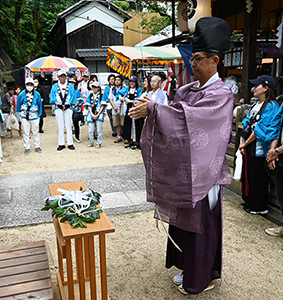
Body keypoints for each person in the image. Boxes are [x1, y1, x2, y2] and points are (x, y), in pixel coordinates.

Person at [129, 17, 233, 295]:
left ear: (214, 60)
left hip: (205, 174)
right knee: (183, 224)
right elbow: (172, 120)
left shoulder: (221, 94)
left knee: (201, 226)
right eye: (192, 58)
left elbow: (195, 121)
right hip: (185, 171)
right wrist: (150, 109)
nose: (193, 63)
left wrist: (155, 110)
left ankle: (202, 277)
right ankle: (187, 268)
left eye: (198, 58)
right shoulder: (187, 90)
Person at [239, 75, 279, 215]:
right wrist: (243, 142)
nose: (254, 88)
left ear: (266, 88)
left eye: (257, 85)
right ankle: (250, 200)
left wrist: (246, 143)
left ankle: (259, 206)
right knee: (249, 174)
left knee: (258, 176)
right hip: (250, 144)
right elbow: (246, 122)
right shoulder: (256, 104)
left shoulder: (272, 106)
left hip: (261, 147)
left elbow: (261, 130)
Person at [265, 92, 283, 236]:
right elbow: (276, 127)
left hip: (280, 151)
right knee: (280, 193)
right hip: (279, 154)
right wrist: (272, 151)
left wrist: (276, 151)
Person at [50, 69, 77, 151]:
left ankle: (70, 143)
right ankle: (61, 143)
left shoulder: (71, 86)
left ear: (66, 77)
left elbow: (73, 96)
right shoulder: (54, 86)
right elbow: (52, 97)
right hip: (58, 107)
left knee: (69, 125)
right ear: (58, 77)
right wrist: (59, 105)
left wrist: (68, 105)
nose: (62, 77)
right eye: (61, 76)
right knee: (60, 125)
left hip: (68, 107)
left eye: (64, 76)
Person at [16, 78, 43, 154]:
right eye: (28, 84)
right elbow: (18, 104)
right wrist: (19, 113)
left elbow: (40, 104)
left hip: (35, 115)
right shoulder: (21, 94)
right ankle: (26, 147)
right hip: (24, 115)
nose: (29, 86)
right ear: (25, 85)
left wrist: (40, 113)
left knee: (35, 131)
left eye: (31, 84)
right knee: (25, 132)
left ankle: (37, 146)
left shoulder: (37, 94)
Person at [117, 76, 142, 148]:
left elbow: (139, 99)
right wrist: (120, 97)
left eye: (133, 82)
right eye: (130, 81)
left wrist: (130, 101)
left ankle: (137, 141)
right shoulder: (127, 89)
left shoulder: (139, 89)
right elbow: (118, 93)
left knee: (137, 125)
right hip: (128, 109)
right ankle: (129, 139)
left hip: (136, 109)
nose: (131, 83)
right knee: (128, 124)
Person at [84, 81, 107, 148]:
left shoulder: (102, 95)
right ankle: (91, 142)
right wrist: (91, 114)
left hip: (99, 114)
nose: (94, 88)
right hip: (91, 114)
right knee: (90, 130)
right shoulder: (90, 95)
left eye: (95, 87)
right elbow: (88, 105)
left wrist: (97, 114)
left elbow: (103, 105)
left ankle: (99, 143)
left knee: (99, 130)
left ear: (98, 88)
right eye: (93, 87)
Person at [109, 74, 124, 143]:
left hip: (123, 109)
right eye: (116, 80)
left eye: (118, 80)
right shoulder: (112, 89)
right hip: (115, 109)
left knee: (123, 123)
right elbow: (110, 99)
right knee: (117, 123)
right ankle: (118, 137)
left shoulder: (124, 88)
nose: (117, 81)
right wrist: (114, 107)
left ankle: (125, 136)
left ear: (121, 81)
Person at [68, 78, 84, 143]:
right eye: (70, 83)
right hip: (68, 108)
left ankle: (77, 137)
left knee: (76, 124)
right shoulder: (67, 91)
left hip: (75, 109)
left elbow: (79, 99)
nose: (72, 84)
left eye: (73, 83)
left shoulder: (76, 91)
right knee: (68, 124)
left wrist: (74, 106)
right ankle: (70, 137)